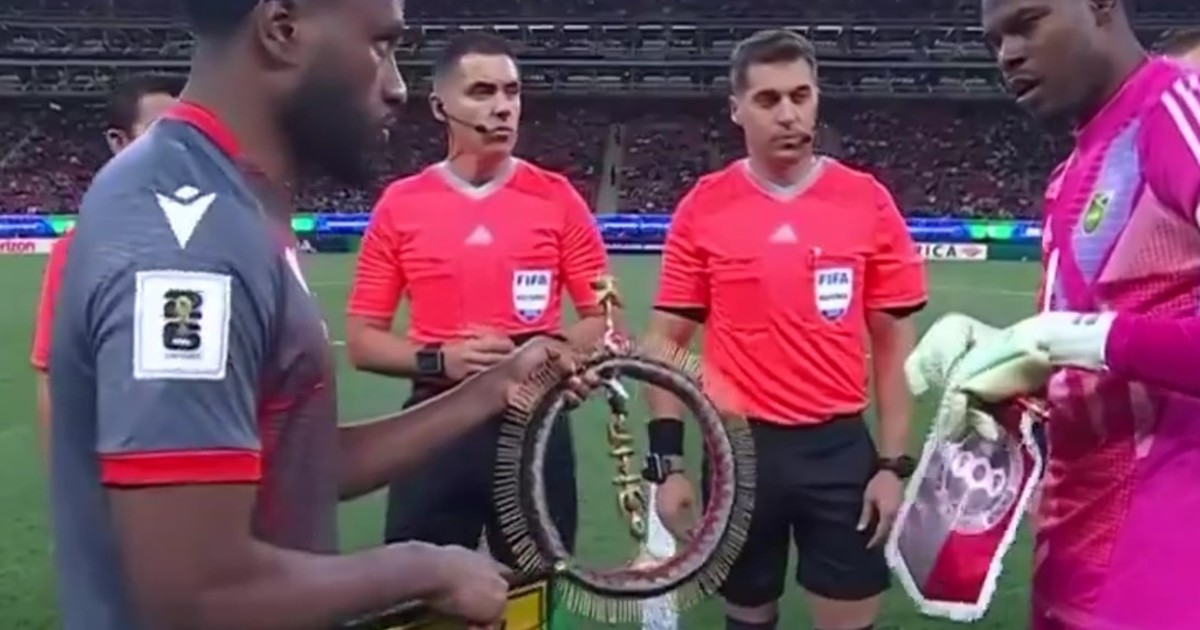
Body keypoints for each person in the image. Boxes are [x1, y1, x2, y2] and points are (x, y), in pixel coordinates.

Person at [47, 2, 591, 629]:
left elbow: (294, 462)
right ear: (282, 29)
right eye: (380, 46)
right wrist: (421, 568)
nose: (397, 86)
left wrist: (495, 385)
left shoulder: (228, 199)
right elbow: (196, 592)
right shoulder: (187, 240)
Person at [919, 0, 1200, 628]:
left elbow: (1091, 341)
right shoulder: (1071, 172)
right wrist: (1000, 355)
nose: (1007, 54)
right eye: (994, 41)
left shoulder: (1178, 112)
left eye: (1028, 23)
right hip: (1072, 562)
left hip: (1165, 579)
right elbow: (1094, 362)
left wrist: (1075, 337)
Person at [643, 29, 927, 630]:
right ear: (737, 109)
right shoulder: (704, 206)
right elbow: (665, 344)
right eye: (768, 99)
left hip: (840, 450)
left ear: (817, 98)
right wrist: (668, 465)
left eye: (801, 95)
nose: (789, 114)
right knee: (747, 617)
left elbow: (892, 345)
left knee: (849, 617)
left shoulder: (867, 201)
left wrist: (892, 465)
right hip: (740, 453)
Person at [345, 32, 613, 573]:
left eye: (511, 92)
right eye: (482, 92)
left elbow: (604, 317)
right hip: (435, 424)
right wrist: (441, 360)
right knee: (423, 589)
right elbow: (362, 341)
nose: (502, 107)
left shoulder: (558, 198)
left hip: (534, 426)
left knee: (535, 586)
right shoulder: (401, 204)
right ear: (440, 106)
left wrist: (551, 355)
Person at [30, 74, 182, 462]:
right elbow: (56, 378)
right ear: (119, 141)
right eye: (161, 131)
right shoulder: (81, 249)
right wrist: (67, 481)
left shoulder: (235, 233)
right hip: (125, 473)